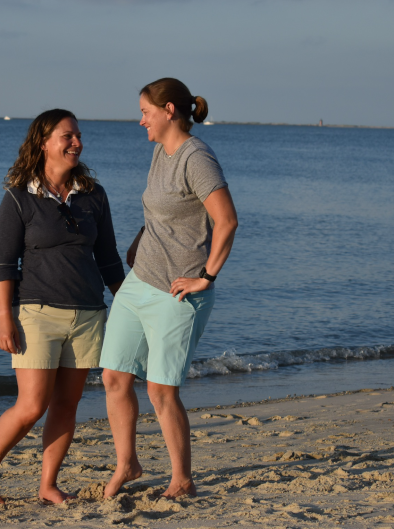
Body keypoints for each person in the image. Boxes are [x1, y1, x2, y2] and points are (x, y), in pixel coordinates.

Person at [0, 109, 125, 507]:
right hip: (36, 313)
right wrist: (5, 318)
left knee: (66, 404)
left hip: (89, 313)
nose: (76, 142)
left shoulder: (94, 195)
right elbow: (4, 264)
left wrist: (127, 303)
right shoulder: (19, 197)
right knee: (31, 406)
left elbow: (108, 258)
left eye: (78, 135)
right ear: (43, 142)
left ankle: (48, 485)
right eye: (67, 135)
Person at [100, 78, 238, 499]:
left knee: (161, 390)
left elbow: (227, 221)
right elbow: (163, 210)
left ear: (169, 111)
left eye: (145, 111)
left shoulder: (197, 158)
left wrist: (207, 277)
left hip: (180, 292)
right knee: (114, 377)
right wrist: (140, 242)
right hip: (140, 281)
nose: (140, 119)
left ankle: (182, 479)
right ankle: (129, 463)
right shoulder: (160, 151)